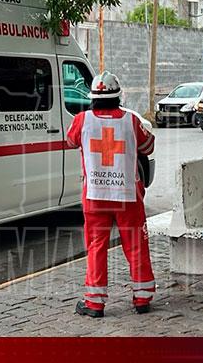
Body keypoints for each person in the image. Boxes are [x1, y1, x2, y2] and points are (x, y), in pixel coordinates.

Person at [66, 71, 156, 318]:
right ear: (118, 97)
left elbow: (70, 141)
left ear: (92, 98)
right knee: (136, 246)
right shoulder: (131, 120)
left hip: (95, 195)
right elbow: (148, 146)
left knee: (96, 247)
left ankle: (94, 304)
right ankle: (142, 298)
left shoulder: (82, 120)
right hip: (128, 196)